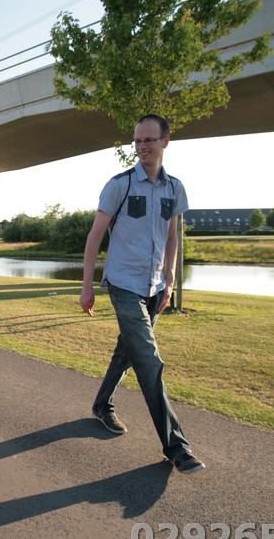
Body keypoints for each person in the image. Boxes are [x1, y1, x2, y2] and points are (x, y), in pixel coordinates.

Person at [80, 114, 205, 474]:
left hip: (154, 286)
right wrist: (87, 286)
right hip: (123, 284)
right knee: (149, 360)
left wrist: (170, 278)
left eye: (149, 139)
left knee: (128, 351)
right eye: (137, 140)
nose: (142, 146)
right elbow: (95, 237)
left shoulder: (175, 188)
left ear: (166, 141)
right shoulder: (119, 185)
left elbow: (172, 236)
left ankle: (102, 405)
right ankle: (176, 447)